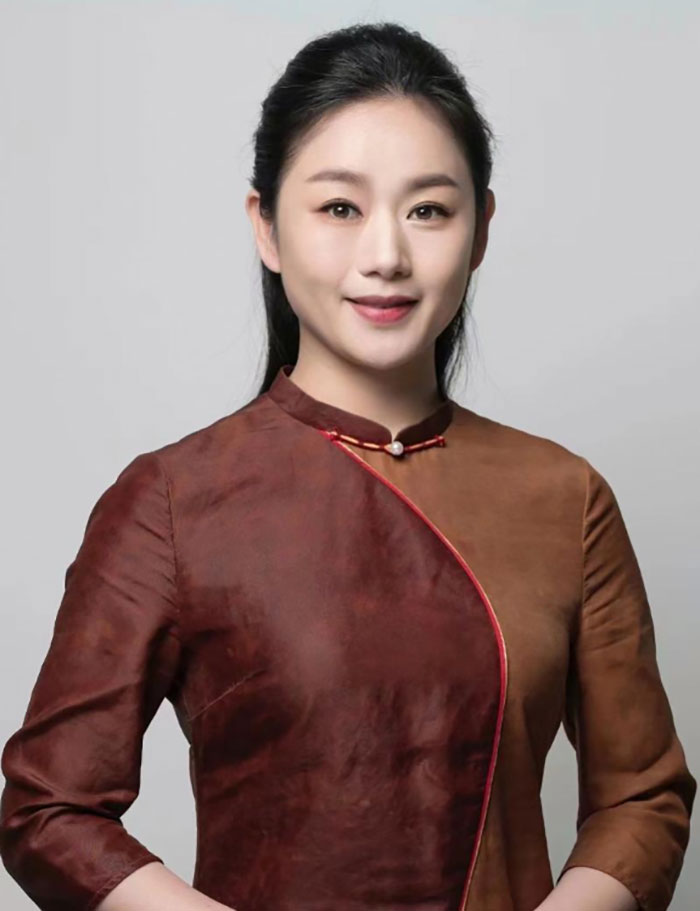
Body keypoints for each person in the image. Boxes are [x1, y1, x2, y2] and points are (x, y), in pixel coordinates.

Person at [0, 20, 695, 911]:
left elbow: (644, 797)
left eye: (428, 210)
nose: (386, 256)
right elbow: (49, 807)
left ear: (481, 231)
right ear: (266, 227)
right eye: (340, 208)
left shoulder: (566, 497)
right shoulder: (171, 499)